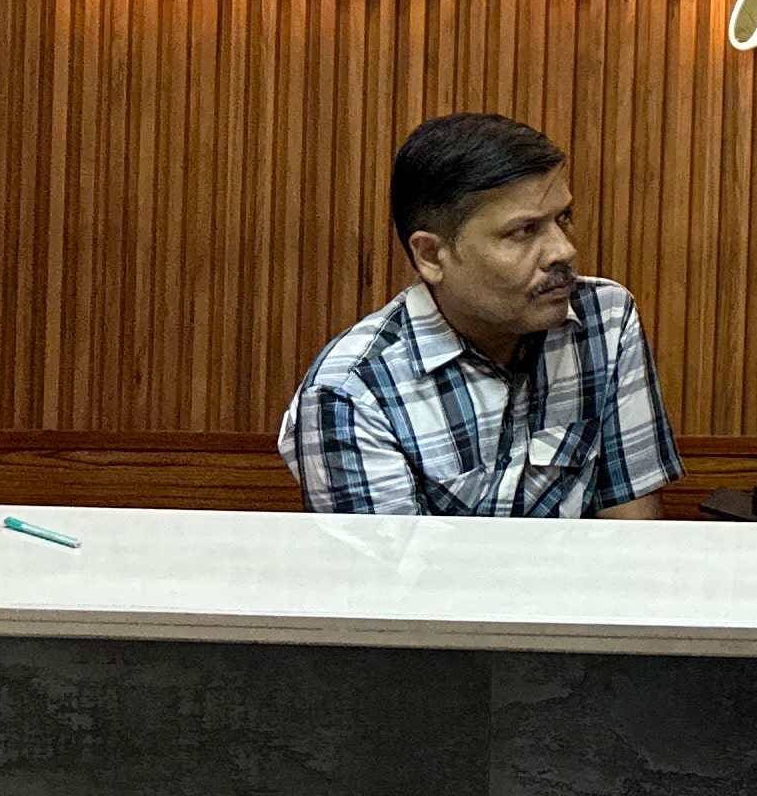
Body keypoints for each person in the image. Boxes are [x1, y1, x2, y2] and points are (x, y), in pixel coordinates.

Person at [280, 112, 681, 517]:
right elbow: (387, 561)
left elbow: (632, 533)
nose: (564, 250)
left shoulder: (603, 319)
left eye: (564, 218)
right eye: (523, 231)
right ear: (431, 255)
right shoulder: (352, 393)